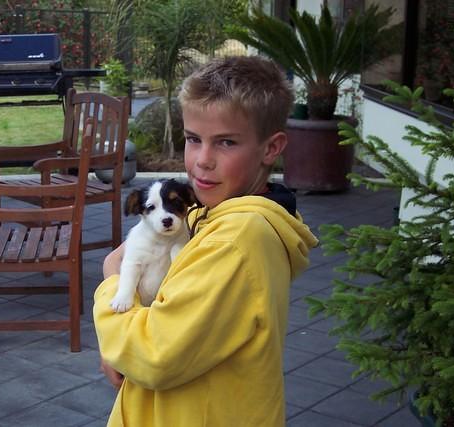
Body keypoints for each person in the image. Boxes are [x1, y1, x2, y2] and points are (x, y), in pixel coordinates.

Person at [93, 55, 318, 427]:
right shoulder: (208, 213)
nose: (202, 161)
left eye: (226, 142)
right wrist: (119, 345)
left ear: (271, 148)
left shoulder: (234, 243)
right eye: (193, 139)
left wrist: (112, 289)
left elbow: (154, 355)